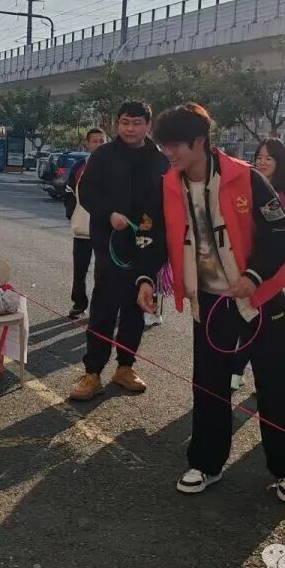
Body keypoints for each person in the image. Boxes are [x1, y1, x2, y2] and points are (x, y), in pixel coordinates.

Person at [136, 103, 285, 503]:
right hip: (209, 299)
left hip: (260, 297)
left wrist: (254, 276)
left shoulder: (246, 178)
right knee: (209, 384)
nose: (167, 153)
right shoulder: (167, 184)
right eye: (163, 145)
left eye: (174, 145)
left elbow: (279, 234)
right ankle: (206, 464)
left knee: (273, 383)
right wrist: (145, 279)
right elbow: (153, 237)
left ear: (199, 141)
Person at [69, 101, 168, 401]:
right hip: (110, 242)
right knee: (104, 308)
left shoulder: (159, 160)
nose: (130, 128)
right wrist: (108, 213)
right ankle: (92, 372)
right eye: (125, 122)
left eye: (136, 123)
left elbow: (166, 203)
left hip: (145, 245)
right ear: (117, 124)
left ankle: (125, 367)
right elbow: (86, 191)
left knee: (136, 308)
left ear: (148, 126)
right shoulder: (103, 155)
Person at [231, 138, 285, 392]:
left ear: (280, 162)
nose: (262, 162)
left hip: (271, 270)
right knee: (246, 322)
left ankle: (251, 376)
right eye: (259, 157)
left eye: (268, 158)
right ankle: (237, 370)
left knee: (265, 329)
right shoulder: (247, 184)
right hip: (246, 266)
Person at [64, 127, 107, 318]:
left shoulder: (115, 166)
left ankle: (101, 309)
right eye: (95, 141)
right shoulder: (79, 167)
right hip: (82, 229)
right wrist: (72, 215)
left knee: (103, 272)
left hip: (107, 230)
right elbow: (69, 192)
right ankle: (79, 303)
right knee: (80, 270)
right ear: (87, 144)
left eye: (102, 141)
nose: (99, 144)